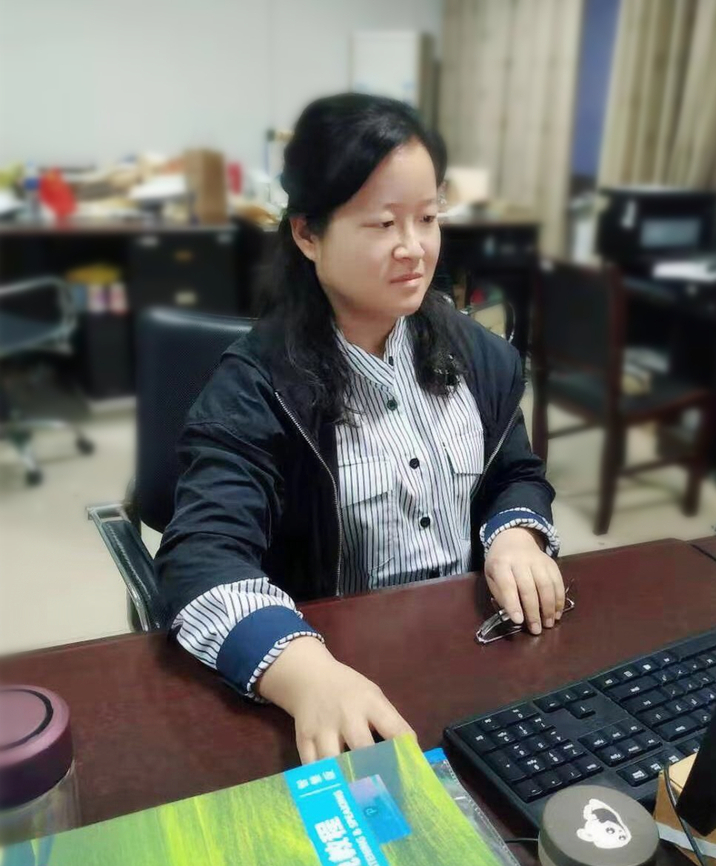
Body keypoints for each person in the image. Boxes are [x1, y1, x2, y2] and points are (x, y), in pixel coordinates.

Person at [156, 93, 563, 765]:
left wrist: (515, 535)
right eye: (381, 224)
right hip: (337, 669)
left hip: (477, 653)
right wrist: (306, 674)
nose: (414, 249)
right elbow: (200, 558)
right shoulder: (256, 388)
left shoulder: (480, 358)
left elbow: (513, 473)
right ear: (307, 234)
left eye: (427, 217)